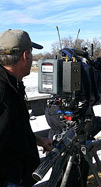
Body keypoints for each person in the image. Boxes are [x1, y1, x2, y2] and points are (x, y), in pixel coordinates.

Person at [0, 29, 52, 187]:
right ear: (25, 55)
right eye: (31, 52)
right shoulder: (2, 92)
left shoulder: (13, 83)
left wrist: (36, 139)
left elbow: (13, 127)